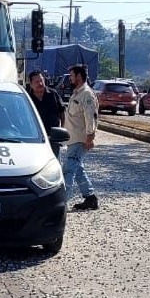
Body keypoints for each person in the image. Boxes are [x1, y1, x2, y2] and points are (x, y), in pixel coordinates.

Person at [63, 64, 99, 211]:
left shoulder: (87, 94)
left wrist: (90, 136)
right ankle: (90, 198)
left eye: (72, 75)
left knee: (68, 170)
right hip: (72, 139)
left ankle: (61, 202)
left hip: (80, 139)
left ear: (79, 76)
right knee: (78, 170)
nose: (70, 79)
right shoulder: (76, 93)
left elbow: (91, 116)